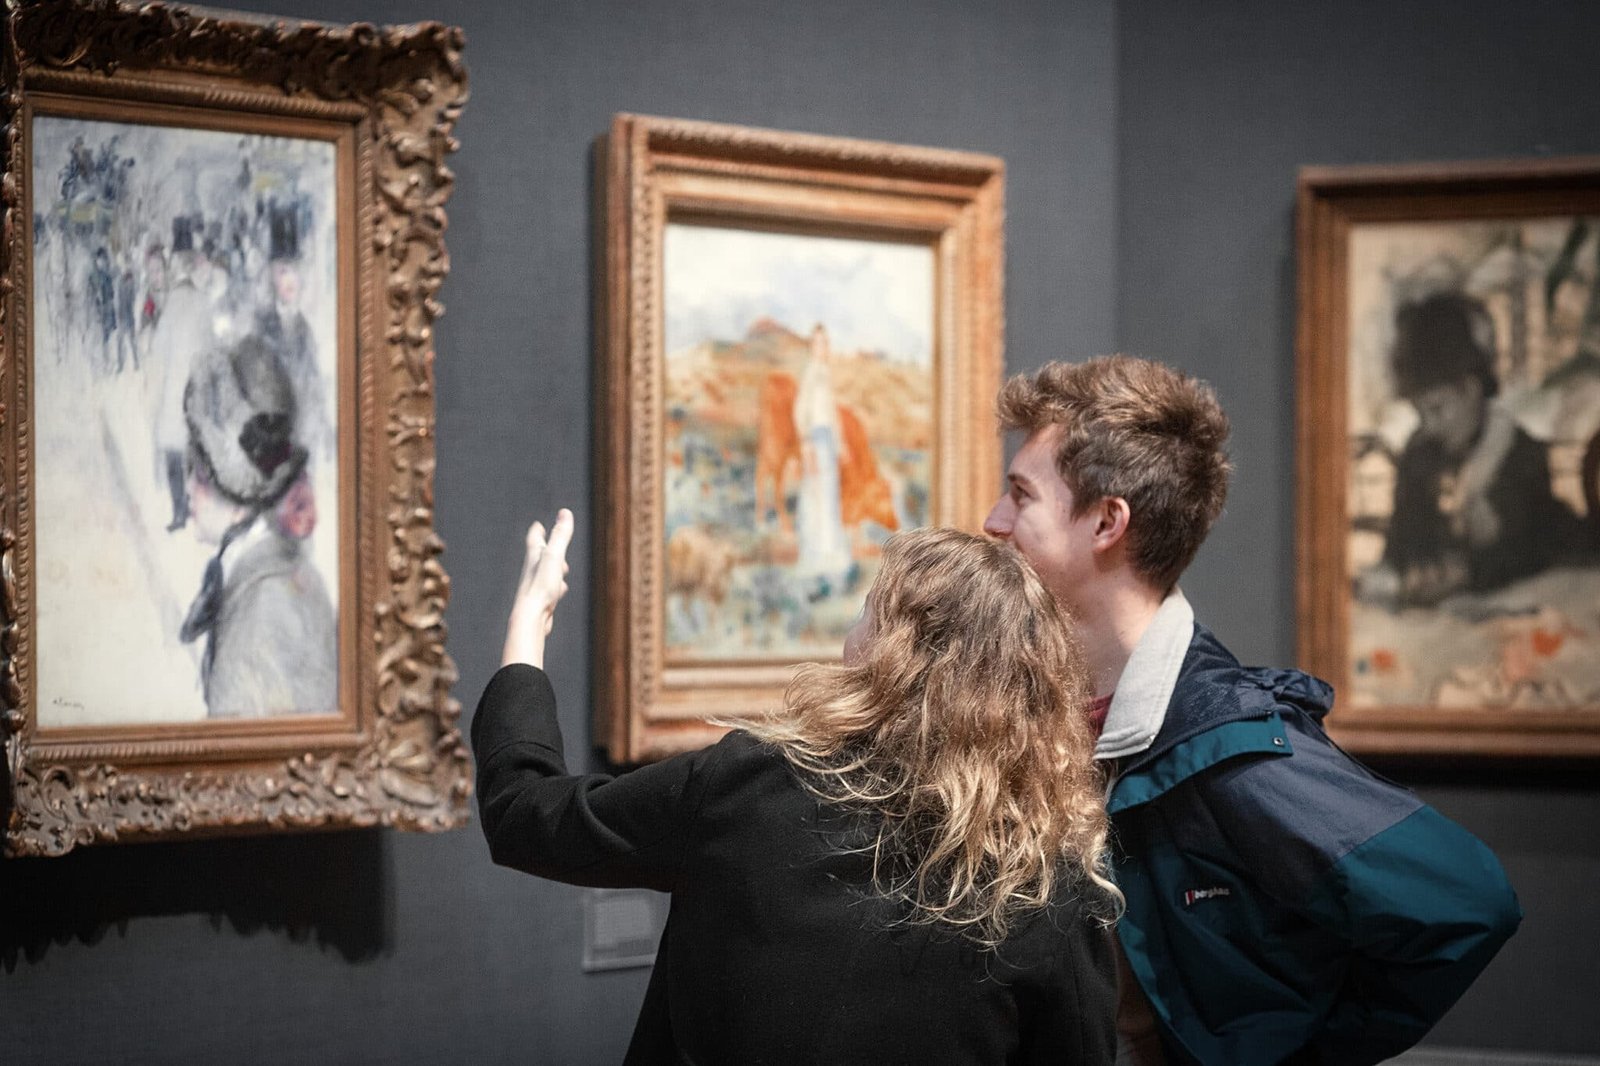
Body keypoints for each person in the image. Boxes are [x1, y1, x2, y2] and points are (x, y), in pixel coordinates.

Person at [982, 355, 1521, 1066]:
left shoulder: (1231, 747)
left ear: (1108, 521)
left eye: (1020, 495)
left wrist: (1289, 1054)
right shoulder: (1026, 704)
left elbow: (1469, 901)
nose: (993, 521)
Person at [475, 512, 1120, 1065]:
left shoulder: (747, 785)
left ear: (886, 655)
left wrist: (528, 626)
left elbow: (524, 815)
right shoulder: (1053, 889)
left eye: (867, 613)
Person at [1362, 292, 1580, 607]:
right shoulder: (1419, 454)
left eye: (1437, 409)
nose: (1430, 425)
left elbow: (1533, 552)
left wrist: (1468, 572)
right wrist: (1412, 571)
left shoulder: (1519, 453)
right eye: (1420, 413)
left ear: (1471, 390)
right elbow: (1402, 542)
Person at [178, 334, 337, 718]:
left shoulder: (267, 608)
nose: (187, 489)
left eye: (197, 472)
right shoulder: (267, 574)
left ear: (232, 490)